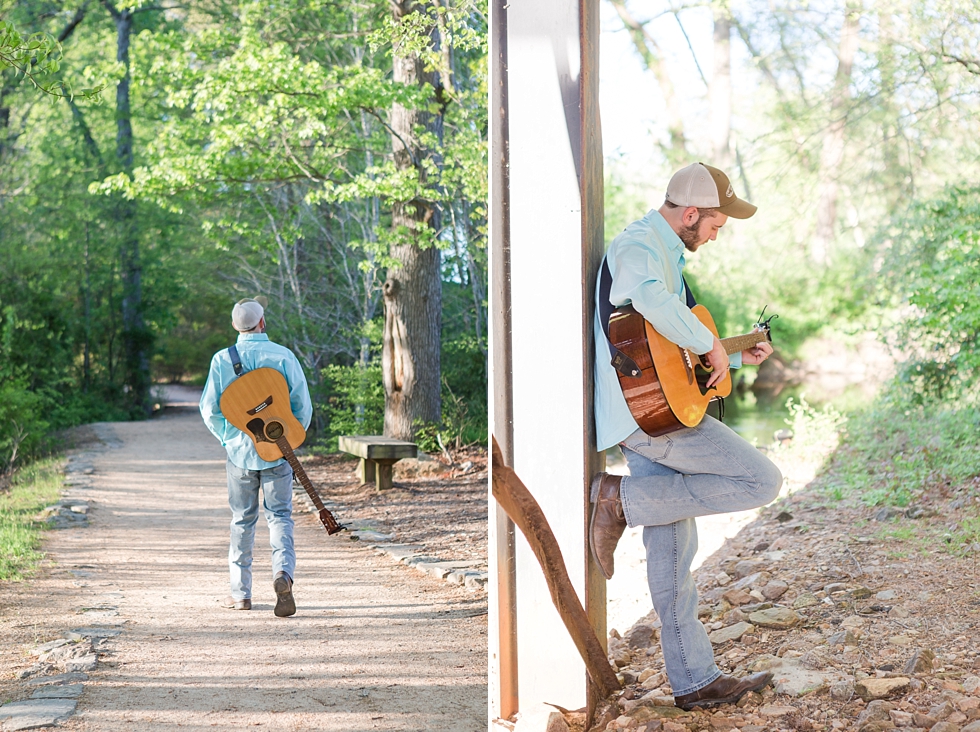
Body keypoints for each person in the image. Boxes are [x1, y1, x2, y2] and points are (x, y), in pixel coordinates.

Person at [590, 162, 784, 710]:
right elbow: (651, 303)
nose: (718, 234)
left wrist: (735, 357)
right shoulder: (639, 246)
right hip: (641, 419)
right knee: (760, 479)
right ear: (691, 212)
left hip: (657, 410)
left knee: (674, 548)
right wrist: (711, 342)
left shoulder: (668, 256)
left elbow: (668, 361)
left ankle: (694, 681)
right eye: (716, 224)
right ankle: (619, 498)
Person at [199, 297, 312, 617]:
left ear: (235, 327)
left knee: (241, 521)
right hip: (278, 453)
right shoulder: (283, 355)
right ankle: (282, 574)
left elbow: (209, 410)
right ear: (262, 323)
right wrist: (287, 439)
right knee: (280, 517)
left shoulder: (222, 359)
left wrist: (230, 438)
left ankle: (241, 595)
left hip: (240, 455)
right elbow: (302, 405)